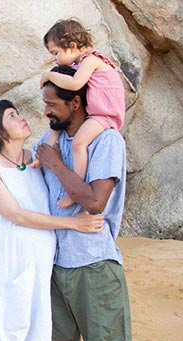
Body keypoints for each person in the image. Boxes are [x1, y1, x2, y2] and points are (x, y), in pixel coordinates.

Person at [0, 65, 132, 341]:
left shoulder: (103, 142)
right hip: (49, 268)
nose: (44, 112)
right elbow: (12, 186)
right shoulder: (45, 147)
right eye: (42, 105)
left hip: (91, 260)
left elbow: (94, 202)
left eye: (51, 104)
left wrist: (55, 164)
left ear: (75, 103)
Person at [39, 19, 126, 210]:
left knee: (79, 143)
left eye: (56, 53)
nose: (55, 59)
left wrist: (49, 75)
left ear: (71, 46)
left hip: (105, 114)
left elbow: (75, 84)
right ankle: (44, 158)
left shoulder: (91, 61)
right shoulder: (79, 65)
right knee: (55, 133)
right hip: (97, 113)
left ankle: (74, 191)